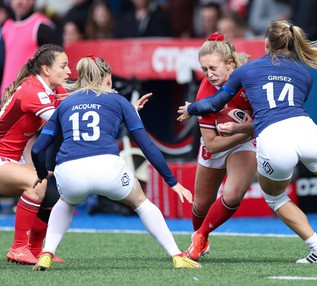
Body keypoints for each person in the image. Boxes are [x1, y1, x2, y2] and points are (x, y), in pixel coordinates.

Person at [178, 20, 317, 262]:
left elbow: (213, 104)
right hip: (305, 130)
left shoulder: (246, 70)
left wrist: (192, 109)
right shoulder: (304, 74)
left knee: (276, 198)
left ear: (265, 43)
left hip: (273, 138)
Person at [30, 55, 201, 271]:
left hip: (69, 170)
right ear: (108, 78)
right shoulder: (119, 100)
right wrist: (172, 181)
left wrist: (41, 173)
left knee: (65, 202)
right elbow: (147, 146)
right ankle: (176, 255)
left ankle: (47, 253)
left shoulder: (65, 104)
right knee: (141, 202)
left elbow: (37, 148)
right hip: (107, 168)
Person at [182, 32, 257, 262]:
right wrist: (243, 130)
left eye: (213, 68)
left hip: (244, 141)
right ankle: (199, 236)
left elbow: (267, 120)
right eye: (204, 70)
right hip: (220, 141)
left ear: (230, 64)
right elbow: (213, 145)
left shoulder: (251, 80)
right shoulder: (205, 91)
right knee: (200, 203)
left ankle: (201, 236)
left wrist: (244, 131)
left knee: (232, 195)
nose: (208, 75)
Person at [0, 44, 70, 265]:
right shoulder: (33, 91)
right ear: (46, 70)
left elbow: (77, 106)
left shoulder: (52, 90)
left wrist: (124, 107)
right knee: (36, 184)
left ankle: (34, 249)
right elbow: (65, 122)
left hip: (11, 160)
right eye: (64, 66)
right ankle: (18, 248)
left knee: (54, 196)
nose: (69, 71)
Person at [0, 0, 59, 97]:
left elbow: (53, 66)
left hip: (30, 96)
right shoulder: (6, 27)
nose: (19, 2)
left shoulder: (42, 26)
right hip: (6, 95)